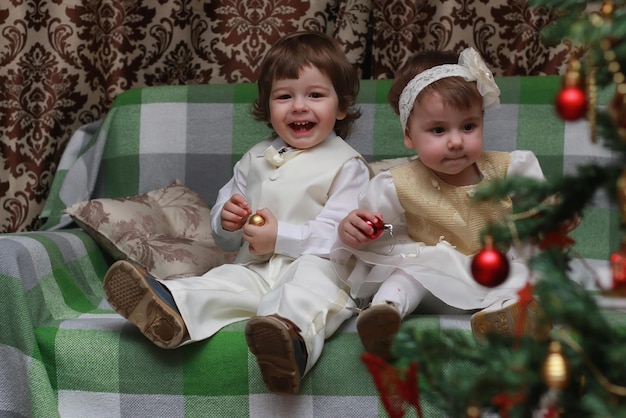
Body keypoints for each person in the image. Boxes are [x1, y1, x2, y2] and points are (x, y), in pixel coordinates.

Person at [102, 31, 371, 395]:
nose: (299, 106)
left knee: (307, 288)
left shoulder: (346, 164)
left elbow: (342, 236)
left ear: (340, 108)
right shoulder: (254, 159)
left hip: (322, 267)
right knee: (224, 280)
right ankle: (173, 308)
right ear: (267, 106)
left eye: (315, 95)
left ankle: (288, 341)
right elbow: (224, 234)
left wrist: (281, 237)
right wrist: (226, 220)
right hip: (256, 267)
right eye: (284, 96)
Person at [332, 48, 579, 360]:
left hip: (496, 273)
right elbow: (382, 229)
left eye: (468, 126)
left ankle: (502, 316)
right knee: (407, 272)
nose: (456, 141)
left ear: (481, 122)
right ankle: (387, 312)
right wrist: (357, 228)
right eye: (438, 129)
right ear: (409, 136)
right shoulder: (398, 184)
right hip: (435, 280)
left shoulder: (509, 168)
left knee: (536, 275)